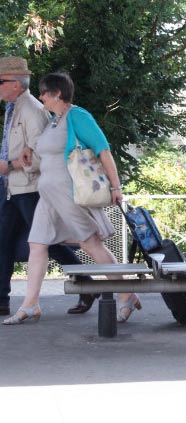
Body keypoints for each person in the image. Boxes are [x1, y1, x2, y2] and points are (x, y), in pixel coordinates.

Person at [2, 72, 137, 325]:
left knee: (90, 244)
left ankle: (126, 294)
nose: (41, 96)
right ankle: (30, 304)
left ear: (57, 94)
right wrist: (30, 149)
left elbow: (103, 150)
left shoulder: (77, 116)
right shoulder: (54, 120)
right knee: (37, 244)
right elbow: (46, 148)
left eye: (44, 92)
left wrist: (116, 186)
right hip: (48, 194)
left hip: (68, 193)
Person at [0, 57, 93, 318]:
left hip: (30, 188)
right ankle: (2, 300)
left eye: (0, 81)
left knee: (48, 241)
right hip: (14, 188)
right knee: (4, 241)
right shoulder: (14, 108)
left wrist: (11, 165)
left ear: (15, 84)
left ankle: (87, 284)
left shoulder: (31, 110)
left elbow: (43, 155)